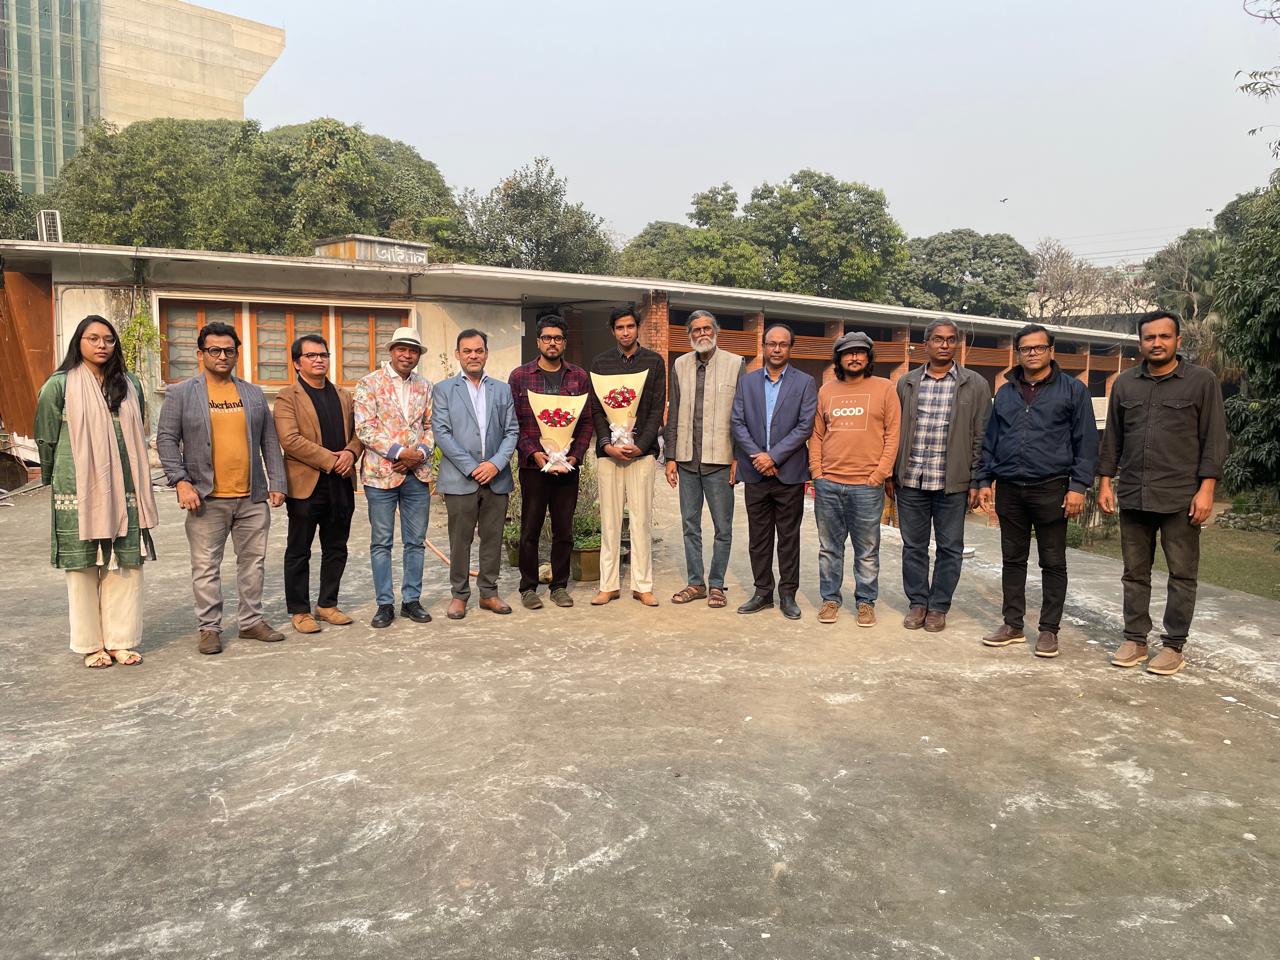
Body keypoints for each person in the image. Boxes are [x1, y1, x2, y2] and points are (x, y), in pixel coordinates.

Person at [1098, 311, 1228, 677]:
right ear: (1140, 343)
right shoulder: (1125, 384)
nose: (1156, 343)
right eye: (1149, 337)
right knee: (1134, 573)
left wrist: (1206, 490)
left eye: (1164, 337)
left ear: (1177, 341)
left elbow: (1214, 439)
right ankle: (1135, 639)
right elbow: (1113, 438)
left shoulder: (1201, 381)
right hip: (1134, 493)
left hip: (1180, 497)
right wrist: (1105, 482)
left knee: (1181, 574)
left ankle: (1173, 645)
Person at [34, 314, 159, 668]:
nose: (102, 345)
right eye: (93, 338)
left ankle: (120, 641)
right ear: (79, 342)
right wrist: (54, 477)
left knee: (126, 564)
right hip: (78, 488)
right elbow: (46, 437)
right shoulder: (58, 385)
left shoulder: (130, 384)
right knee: (83, 567)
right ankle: (91, 644)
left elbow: (139, 429)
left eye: (108, 339)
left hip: (126, 486)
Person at [156, 321, 287, 654]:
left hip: (251, 496)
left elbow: (269, 440)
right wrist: (181, 481)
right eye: (214, 350)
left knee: (253, 563)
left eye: (229, 350)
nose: (222, 356)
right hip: (205, 497)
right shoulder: (181, 393)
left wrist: (277, 482)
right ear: (201, 354)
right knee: (205, 566)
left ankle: (251, 622)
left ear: (236, 354)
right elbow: (167, 439)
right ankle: (209, 628)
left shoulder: (253, 393)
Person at [977, 323, 1098, 659]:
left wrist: (1078, 486)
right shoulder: (1005, 392)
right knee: (1012, 560)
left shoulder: (1073, 390)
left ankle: (1048, 630)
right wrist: (984, 480)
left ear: (1050, 351)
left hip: (1051, 487)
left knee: (1053, 561)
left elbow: (1086, 441)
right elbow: (991, 439)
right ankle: (1012, 624)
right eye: (1025, 348)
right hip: (1010, 489)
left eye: (1039, 347)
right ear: (1017, 353)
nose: (1032, 353)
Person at [889, 319, 991, 633]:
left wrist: (976, 480)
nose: (944, 345)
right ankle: (918, 603)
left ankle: (938, 606)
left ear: (957, 343)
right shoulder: (907, 383)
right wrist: (891, 474)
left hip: (952, 482)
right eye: (937, 339)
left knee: (950, 548)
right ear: (926, 344)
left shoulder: (975, 384)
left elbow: (981, 436)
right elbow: (893, 431)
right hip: (912, 479)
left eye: (950, 339)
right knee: (913, 546)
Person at [272, 334, 363, 635]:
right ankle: (299, 610)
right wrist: (330, 460)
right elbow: (290, 440)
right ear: (297, 363)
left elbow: (359, 432)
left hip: (341, 482)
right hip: (306, 485)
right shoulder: (287, 397)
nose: (319, 360)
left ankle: (327, 604)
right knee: (299, 549)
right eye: (311, 355)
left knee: (336, 547)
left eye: (323, 354)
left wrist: (350, 453)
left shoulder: (343, 395)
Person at [810, 331, 900, 626]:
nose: (854, 357)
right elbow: (817, 434)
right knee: (829, 549)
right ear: (839, 359)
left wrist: (879, 474)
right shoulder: (826, 391)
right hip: (829, 483)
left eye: (860, 352)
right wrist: (817, 472)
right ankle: (830, 600)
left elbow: (893, 434)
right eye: (848, 353)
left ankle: (865, 602)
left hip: (867, 485)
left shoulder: (885, 388)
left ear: (868, 357)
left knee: (867, 550)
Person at [730, 323, 818, 620]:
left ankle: (788, 594)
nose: (777, 349)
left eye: (783, 344)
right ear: (764, 347)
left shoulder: (805, 383)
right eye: (771, 343)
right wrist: (758, 457)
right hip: (755, 472)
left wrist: (774, 457)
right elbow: (737, 422)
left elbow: (805, 426)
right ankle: (763, 592)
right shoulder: (747, 382)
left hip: (788, 473)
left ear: (790, 348)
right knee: (759, 538)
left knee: (788, 538)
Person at [431, 329, 519, 619]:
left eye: (478, 350)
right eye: (467, 351)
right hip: (460, 479)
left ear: (486, 354)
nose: (473, 356)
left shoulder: (502, 390)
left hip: (496, 477)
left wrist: (495, 464)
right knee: (460, 540)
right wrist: (471, 467)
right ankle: (459, 595)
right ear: (457, 354)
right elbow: (441, 433)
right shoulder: (444, 389)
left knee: (493, 538)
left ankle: (489, 593)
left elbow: (511, 431)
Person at [507, 314, 593, 610]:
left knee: (564, 530)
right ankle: (528, 587)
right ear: (538, 341)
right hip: (534, 467)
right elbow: (513, 422)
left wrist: (575, 455)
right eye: (547, 337)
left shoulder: (578, 377)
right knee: (530, 528)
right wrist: (533, 452)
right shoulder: (520, 376)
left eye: (557, 338)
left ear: (564, 343)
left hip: (568, 468)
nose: (552, 343)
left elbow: (586, 422)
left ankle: (559, 586)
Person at [353, 325, 434, 629]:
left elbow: (432, 426)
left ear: (418, 355)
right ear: (391, 351)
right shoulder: (369, 383)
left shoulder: (425, 386)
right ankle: (384, 604)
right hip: (381, 475)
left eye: (413, 350)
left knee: (415, 541)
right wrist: (400, 453)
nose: (407, 355)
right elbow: (365, 428)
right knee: (381, 542)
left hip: (417, 475)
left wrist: (419, 454)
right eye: (402, 349)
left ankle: (411, 600)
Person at [588, 305, 666, 607]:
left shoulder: (654, 362)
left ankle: (642, 585)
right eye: (619, 327)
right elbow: (596, 409)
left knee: (641, 521)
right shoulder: (600, 362)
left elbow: (657, 408)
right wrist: (606, 444)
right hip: (609, 455)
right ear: (613, 331)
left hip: (641, 454)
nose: (625, 332)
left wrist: (641, 445)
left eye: (630, 326)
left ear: (637, 328)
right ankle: (608, 585)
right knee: (609, 521)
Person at [665, 310, 742, 609]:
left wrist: (738, 457)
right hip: (687, 460)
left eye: (707, 328)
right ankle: (696, 583)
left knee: (723, 528)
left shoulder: (735, 363)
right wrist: (670, 456)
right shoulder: (680, 364)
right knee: (690, 525)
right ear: (690, 335)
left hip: (720, 461)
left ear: (716, 331)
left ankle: (717, 584)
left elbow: (741, 415)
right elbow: (674, 414)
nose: (702, 334)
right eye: (696, 330)